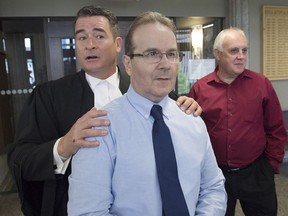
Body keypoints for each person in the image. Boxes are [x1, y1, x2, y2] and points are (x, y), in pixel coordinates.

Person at [7, 5, 202, 216]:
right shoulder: (48, 96)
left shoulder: (150, 88)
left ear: (118, 44)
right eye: (82, 38)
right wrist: (63, 146)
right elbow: (20, 158)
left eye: (99, 36)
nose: (90, 45)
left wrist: (187, 107)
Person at [68, 11, 227, 216]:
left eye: (171, 54)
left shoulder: (192, 120)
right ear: (128, 64)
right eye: (152, 54)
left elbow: (213, 187)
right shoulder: (100, 127)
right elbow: (87, 211)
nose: (165, 64)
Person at [188, 27, 287, 216]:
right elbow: (193, 134)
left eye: (244, 50)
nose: (241, 56)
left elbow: (276, 128)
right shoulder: (200, 89)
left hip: (256, 171)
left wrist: (271, 165)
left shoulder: (261, 84)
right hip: (216, 175)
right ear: (217, 54)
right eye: (234, 51)